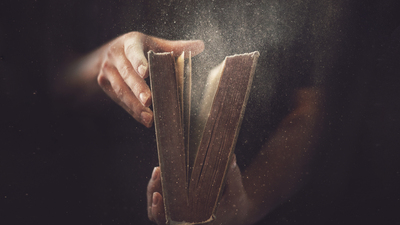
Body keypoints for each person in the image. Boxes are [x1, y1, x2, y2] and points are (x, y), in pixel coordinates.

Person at [59, 0, 400, 224]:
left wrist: (249, 204)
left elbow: (314, 108)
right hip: (105, 206)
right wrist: (106, 60)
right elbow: (53, 86)